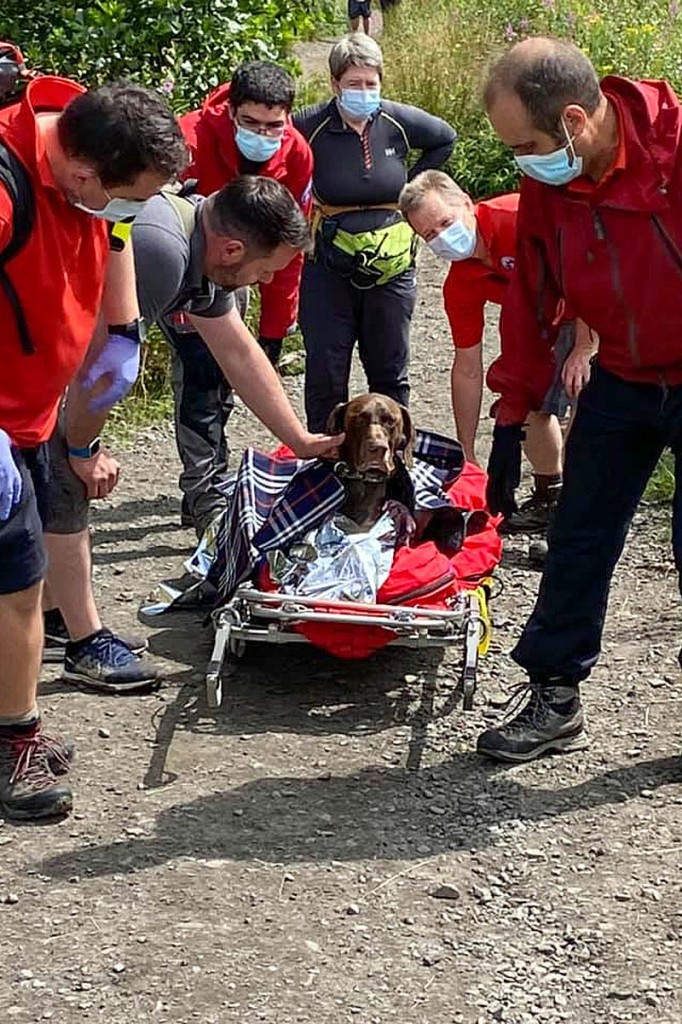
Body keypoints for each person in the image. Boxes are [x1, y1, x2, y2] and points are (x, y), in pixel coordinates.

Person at [475, 36, 682, 763]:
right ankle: (555, 696)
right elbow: (532, 298)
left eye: (526, 144)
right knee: (579, 534)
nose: (520, 161)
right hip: (622, 378)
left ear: (573, 120)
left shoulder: (676, 150)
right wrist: (512, 415)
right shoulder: (549, 183)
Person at [0, 75, 186, 820]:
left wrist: (123, 327)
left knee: (18, 580)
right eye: (131, 197)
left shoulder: (85, 162)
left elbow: (109, 235)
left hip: (30, 415)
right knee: (16, 585)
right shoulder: (10, 188)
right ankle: (15, 745)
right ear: (80, 173)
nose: (135, 214)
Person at [398, 171, 596, 536]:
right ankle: (549, 493)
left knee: (583, 396)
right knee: (526, 401)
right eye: (429, 235)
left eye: (445, 222)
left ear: (466, 203)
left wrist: (584, 345)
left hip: (587, 301)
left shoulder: (517, 218)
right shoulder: (461, 281)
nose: (442, 236)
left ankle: (579, 508)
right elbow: (467, 368)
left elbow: (588, 265)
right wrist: (467, 454)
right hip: (534, 322)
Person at [173, 61, 314, 534]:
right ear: (230, 111)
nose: (263, 135)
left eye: (274, 125)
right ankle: (204, 490)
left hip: (239, 273)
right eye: (250, 123)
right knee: (199, 376)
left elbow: (289, 250)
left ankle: (207, 481)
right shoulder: (189, 138)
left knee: (221, 378)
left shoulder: (296, 154)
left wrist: (275, 331)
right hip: (179, 261)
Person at [293, 34, 456, 432]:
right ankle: (325, 459)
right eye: (354, 83)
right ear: (335, 85)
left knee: (390, 369)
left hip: (393, 268)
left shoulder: (397, 121)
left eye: (371, 83)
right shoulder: (308, 125)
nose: (364, 91)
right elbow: (277, 158)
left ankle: (394, 461)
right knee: (326, 372)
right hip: (327, 267)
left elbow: (444, 138)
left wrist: (410, 192)